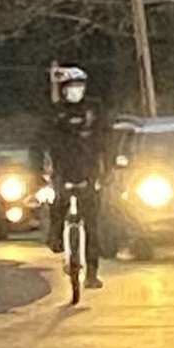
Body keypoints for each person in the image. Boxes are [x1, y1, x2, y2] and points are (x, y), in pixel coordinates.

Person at [40, 63, 105, 293]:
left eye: (79, 87)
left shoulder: (94, 111)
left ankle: (92, 273)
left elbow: (104, 141)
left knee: (92, 224)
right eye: (71, 87)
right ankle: (55, 237)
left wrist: (102, 171)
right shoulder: (55, 114)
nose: (75, 91)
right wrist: (49, 171)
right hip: (63, 170)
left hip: (89, 171)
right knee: (58, 205)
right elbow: (46, 143)